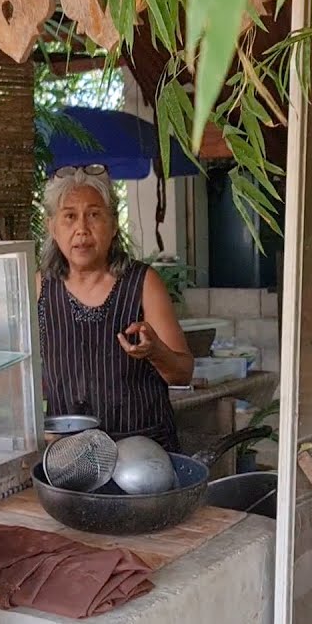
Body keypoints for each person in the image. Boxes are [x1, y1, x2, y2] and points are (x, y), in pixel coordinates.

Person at [37, 164, 195, 451]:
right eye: (69, 217)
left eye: (94, 215)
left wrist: (156, 352)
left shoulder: (143, 283)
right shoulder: (40, 288)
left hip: (145, 455)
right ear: (52, 227)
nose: (82, 229)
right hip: (72, 459)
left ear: (113, 224)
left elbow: (183, 373)